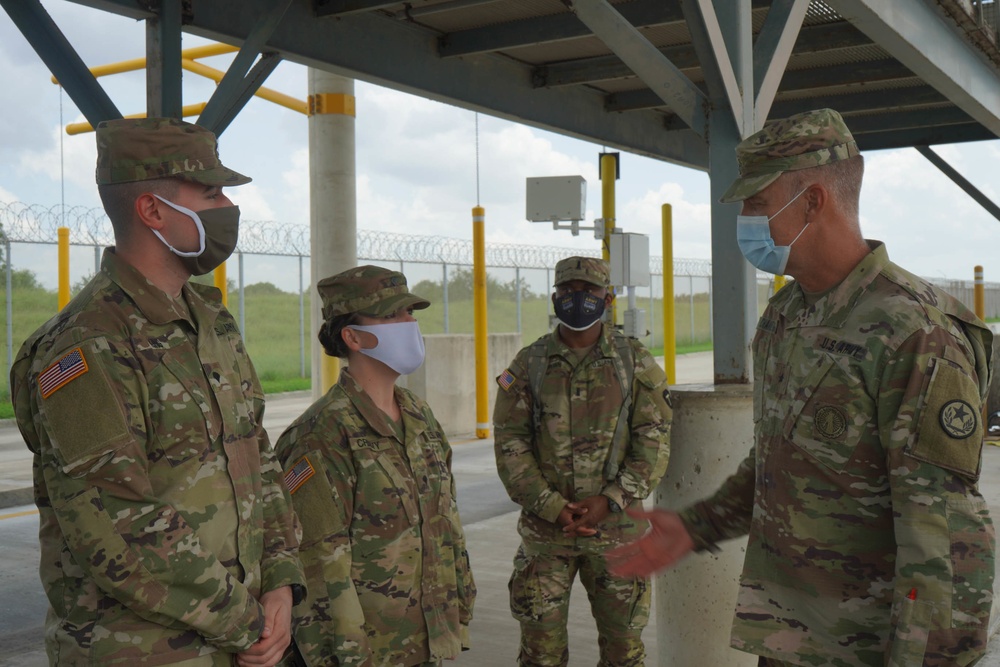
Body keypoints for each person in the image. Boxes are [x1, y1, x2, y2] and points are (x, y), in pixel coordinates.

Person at [606, 108, 996, 666]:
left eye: (756, 204)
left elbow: (945, 537)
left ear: (812, 202)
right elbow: (781, 456)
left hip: (870, 647)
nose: (745, 219)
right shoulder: (787, 314)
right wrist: (700, 525)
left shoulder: (913, 331)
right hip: (792, 639)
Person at [10, 117, 306, 666]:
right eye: (212, 192)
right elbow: (115, 521)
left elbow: (258, 457)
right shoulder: (85, 345)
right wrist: (249, 621)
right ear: (152, 211)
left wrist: (282, 581)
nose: (227, 209)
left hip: (243, 640)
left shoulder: (211, 322)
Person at [274, 265, 475, 666]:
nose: (409, 323)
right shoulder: (321, 434)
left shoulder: (419, 416)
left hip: (425, 644)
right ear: (352, 336)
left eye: (410, 313)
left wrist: (458, 613)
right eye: (392, 315)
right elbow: (321, 568)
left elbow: (446, 525)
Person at [492, 256, 672, 667]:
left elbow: (654, 437)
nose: (578, 299)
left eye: (589, 291)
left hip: (618, 533)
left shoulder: (633, 360)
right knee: (541, 653)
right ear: (554, 296)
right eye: (568, 291)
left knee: (624, 650)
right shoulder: (528, 364)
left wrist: (611, 499)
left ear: (607, 298)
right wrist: (553, 507)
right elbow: (510, 444)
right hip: (546, 537)